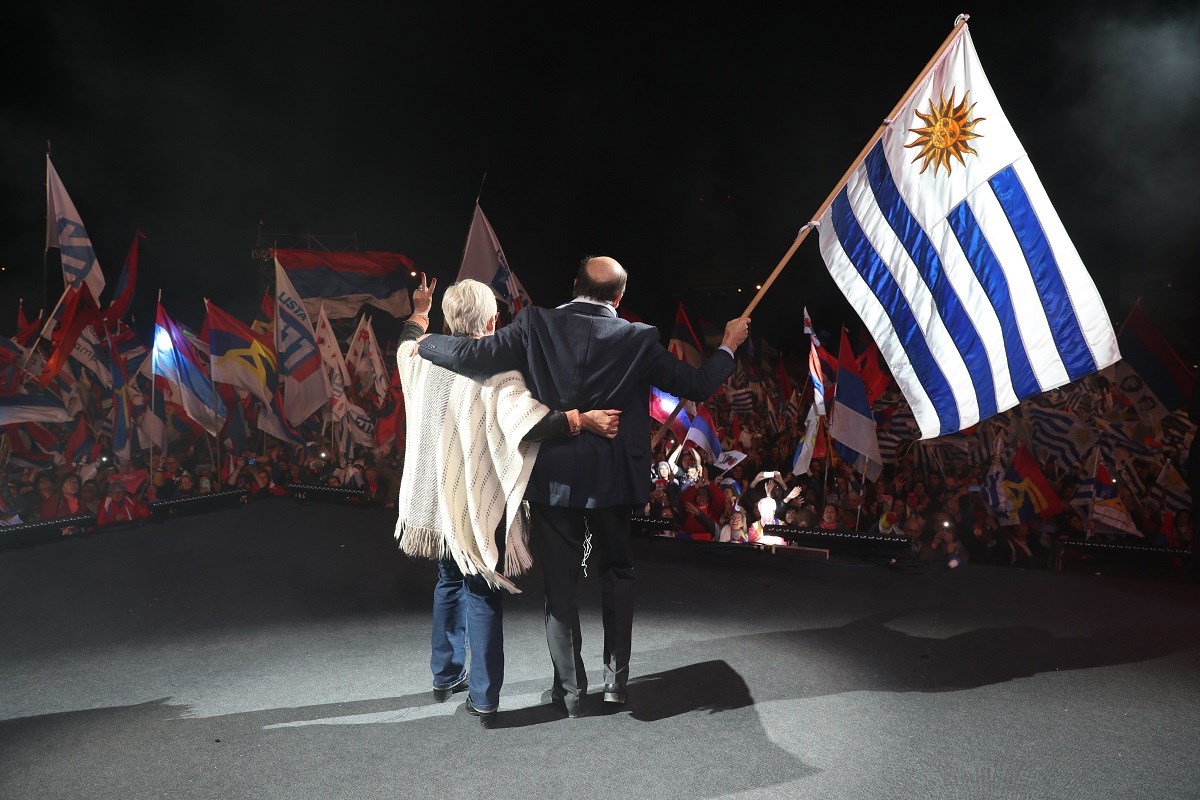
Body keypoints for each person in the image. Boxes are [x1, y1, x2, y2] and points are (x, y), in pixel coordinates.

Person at [418, 255, 749, 715]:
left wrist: (423, 341)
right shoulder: (638, 337)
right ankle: (616, 684)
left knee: (560, 588)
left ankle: (570, 693)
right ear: (619, 298)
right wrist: (729, 344)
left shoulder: (535, 323)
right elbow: (696, 384)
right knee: (618, 576)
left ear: (573, 284)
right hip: (614, 481)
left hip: (554, 481)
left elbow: (473, 355)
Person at [396, 276, 621, 727]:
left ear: (446, 318)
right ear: (493, 320)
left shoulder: (421, 358)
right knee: (481, 589)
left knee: (447, 579)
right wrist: (584, 420)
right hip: (478, 505)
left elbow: (407, 339)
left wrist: (419, 309)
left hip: (434, 498)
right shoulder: (497, 370)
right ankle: (484, 698)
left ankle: (445, 675)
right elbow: (531, 423)